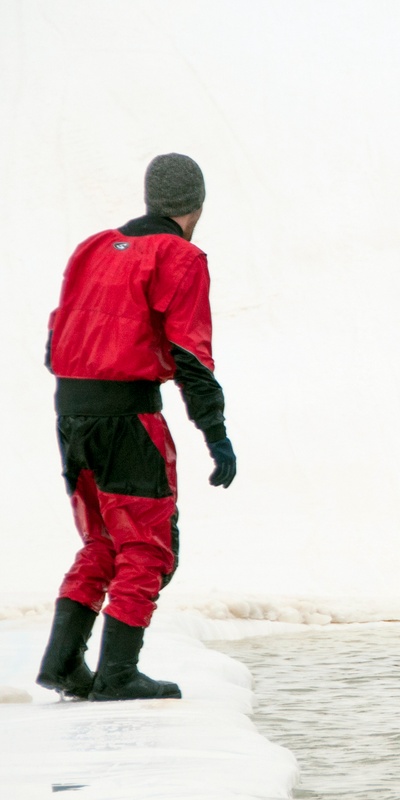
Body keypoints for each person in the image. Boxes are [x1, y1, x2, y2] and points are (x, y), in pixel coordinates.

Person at [36, 153, 237, 701]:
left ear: (151, 198)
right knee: (147, 546)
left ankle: (62, 665)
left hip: (71, 411)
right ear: (196, 205)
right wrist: (215, 433)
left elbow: (56, 339)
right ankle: (119, 674)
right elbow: (189, 354)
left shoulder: (93, 247)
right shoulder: (180, 255)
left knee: (102, 539)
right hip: (127, 416)